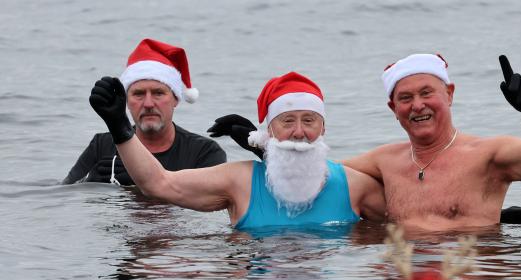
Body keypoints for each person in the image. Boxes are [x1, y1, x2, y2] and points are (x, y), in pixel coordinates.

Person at [88, 71, 385, 229]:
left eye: (309, 120)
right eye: (287, 121)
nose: (299, 132)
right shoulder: (239, 181)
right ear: (269, 132)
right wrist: (119, 127)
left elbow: (413, 224)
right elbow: (158, 183)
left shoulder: (354, 186)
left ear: (324, 129)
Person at [342, 53, 521, 230]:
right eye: (405, 98)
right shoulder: (385, 161)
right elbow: (322, 174)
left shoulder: (486, 155)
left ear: (449, 94)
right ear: (393, 108)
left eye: (426, 93)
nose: (417, 105)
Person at [62, 38, 226, 185]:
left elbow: (211, 202)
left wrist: (140, 185)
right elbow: (64, 195)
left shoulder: (204, 152)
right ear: (126, 100)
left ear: (176, 99)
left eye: (158, 93)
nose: (148, 103)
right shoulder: (101, 145)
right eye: (138, 94)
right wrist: (90, 182)